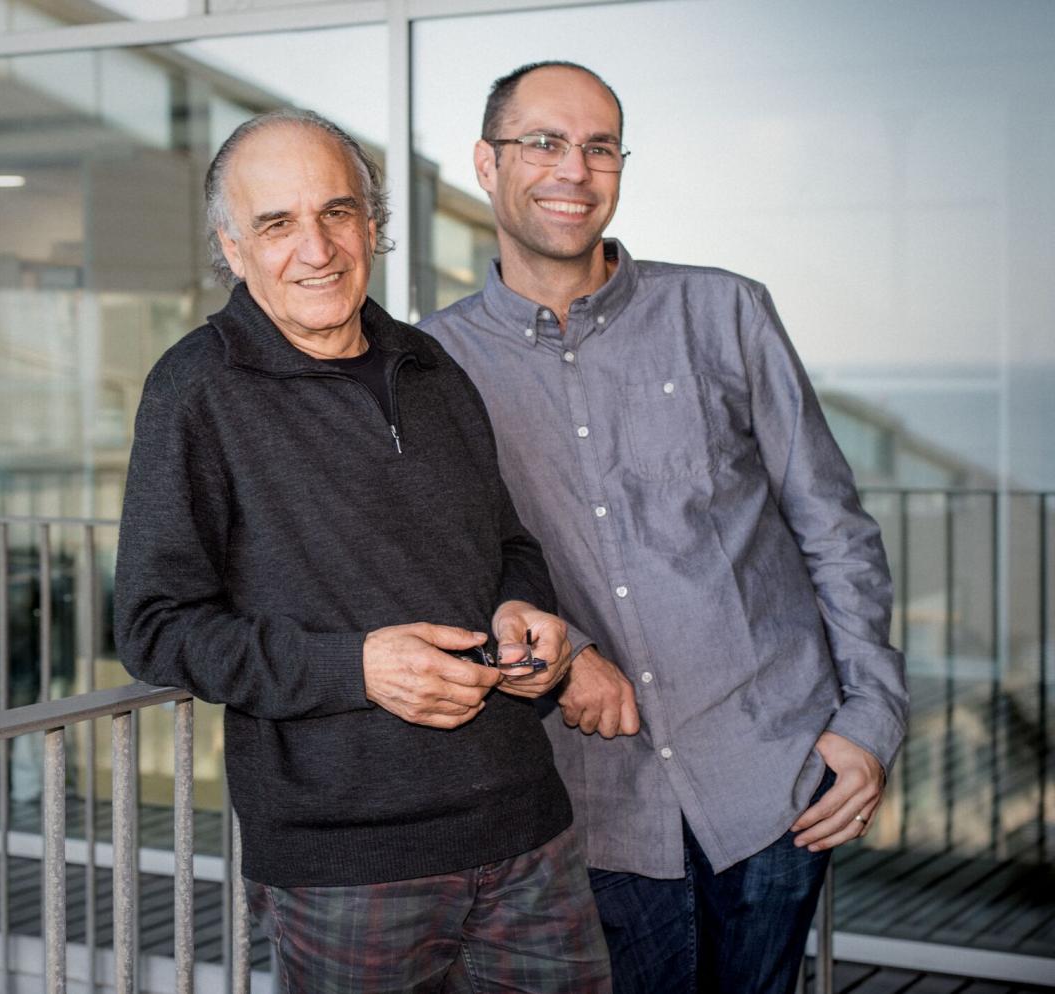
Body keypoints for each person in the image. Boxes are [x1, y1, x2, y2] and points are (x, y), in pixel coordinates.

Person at [420, 62, 909, 994]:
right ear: (487, 163)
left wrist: (871, 716)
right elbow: (448, 564)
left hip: (772, 780)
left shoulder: (725, 311)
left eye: (599, 147)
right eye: (545, 143)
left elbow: (832, 524)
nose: (575, 169)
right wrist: (570, 654)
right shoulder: (433, 364)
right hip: (590, 805)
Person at [114, 108, 612, 993]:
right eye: (276, 223)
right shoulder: (194, 390)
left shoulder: (430, 365)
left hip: (527, 828)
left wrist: (522, 611)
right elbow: (157, 627)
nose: (316, 248)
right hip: (347, 868)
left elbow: (507, 543)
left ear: (372, 227)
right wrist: (358, 669)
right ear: (232, 249)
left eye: (337, 213)